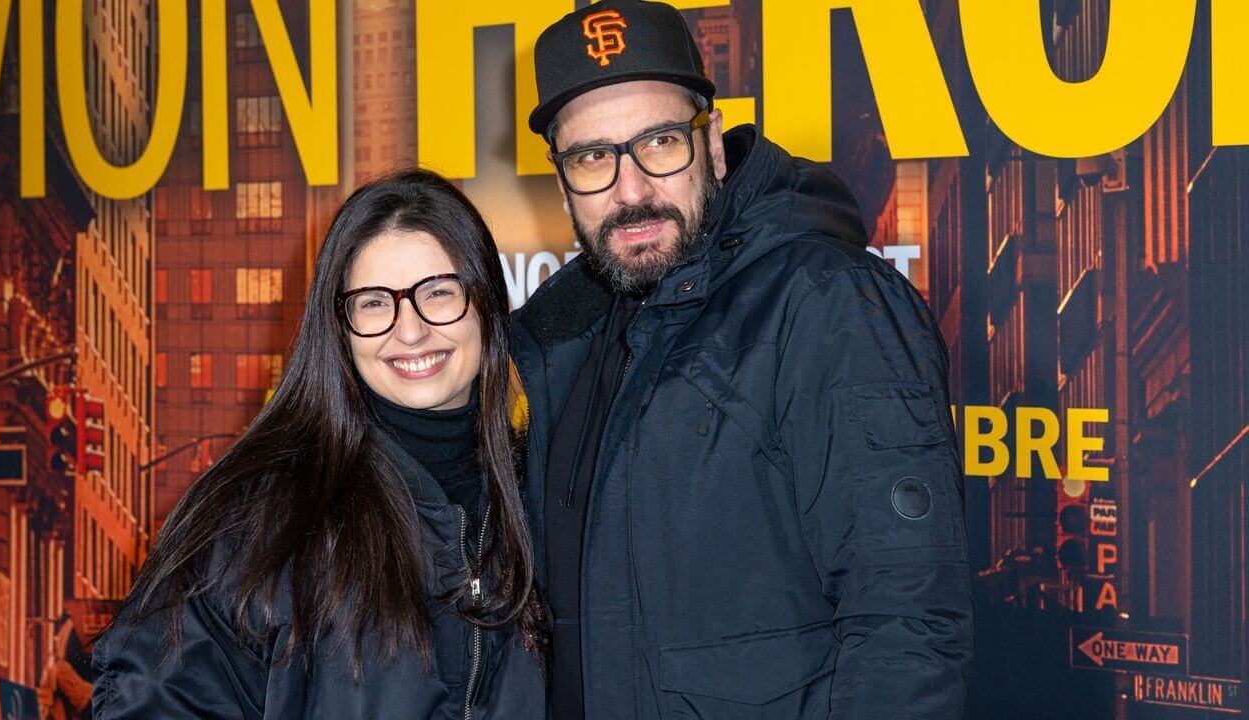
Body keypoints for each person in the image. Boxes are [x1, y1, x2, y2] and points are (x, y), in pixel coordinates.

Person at [511, 1, 974, 718]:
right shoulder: (555, 338)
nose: (631, 191)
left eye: (661, 142)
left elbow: (905, 621)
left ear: (714, 143)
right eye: (593, 157)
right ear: (562, 174)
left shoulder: (826, 301)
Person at [92, 170, 546, 719]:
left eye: (439, 293)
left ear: (487, 305)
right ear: (340, 326)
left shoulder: (542, 498)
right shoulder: (266, 514)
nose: (410, 330)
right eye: (375, 303)